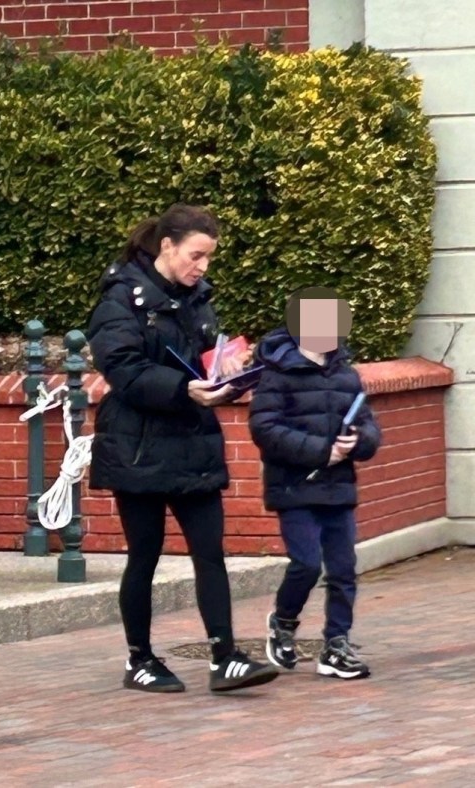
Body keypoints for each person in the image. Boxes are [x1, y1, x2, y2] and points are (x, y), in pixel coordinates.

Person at [87, 203, 278, 693]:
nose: (203, 267)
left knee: (210, 551)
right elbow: (123, 369)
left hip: (192, 440)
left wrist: (226, 367)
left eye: (209, 258)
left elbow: (201, 355)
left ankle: (226, 655)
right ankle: (140, 659)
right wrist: (181, 389)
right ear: (166, 247)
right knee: (144, 554)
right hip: (139, 444)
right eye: (196, 255)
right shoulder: (119, 301)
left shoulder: (198, 298)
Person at [249, 286, 381, 680]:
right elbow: (265, 428)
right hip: (294, 486)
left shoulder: (347, 375)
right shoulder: (277, 375)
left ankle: (336, 645)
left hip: (339, 486)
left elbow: (370, 426)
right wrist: (321, 451)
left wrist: (358, 441)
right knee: (306, 563)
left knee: (343, 569)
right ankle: (284, 621)